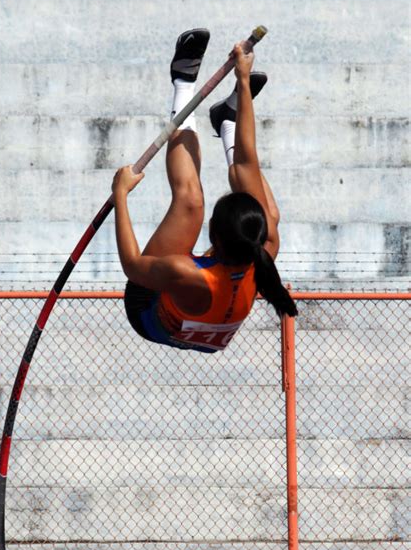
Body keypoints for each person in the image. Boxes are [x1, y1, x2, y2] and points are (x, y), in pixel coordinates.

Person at [112, 28, 297, 353]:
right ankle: (229, 119)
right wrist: (242, 80)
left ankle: (183, 82)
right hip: (206, 303)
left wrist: (121, 195)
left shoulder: (184, 272)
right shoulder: (264, 250)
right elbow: (246, 161)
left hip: (149, 309)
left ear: (213, 238)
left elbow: (131, 265)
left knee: (190, 202)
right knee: (270, 216)